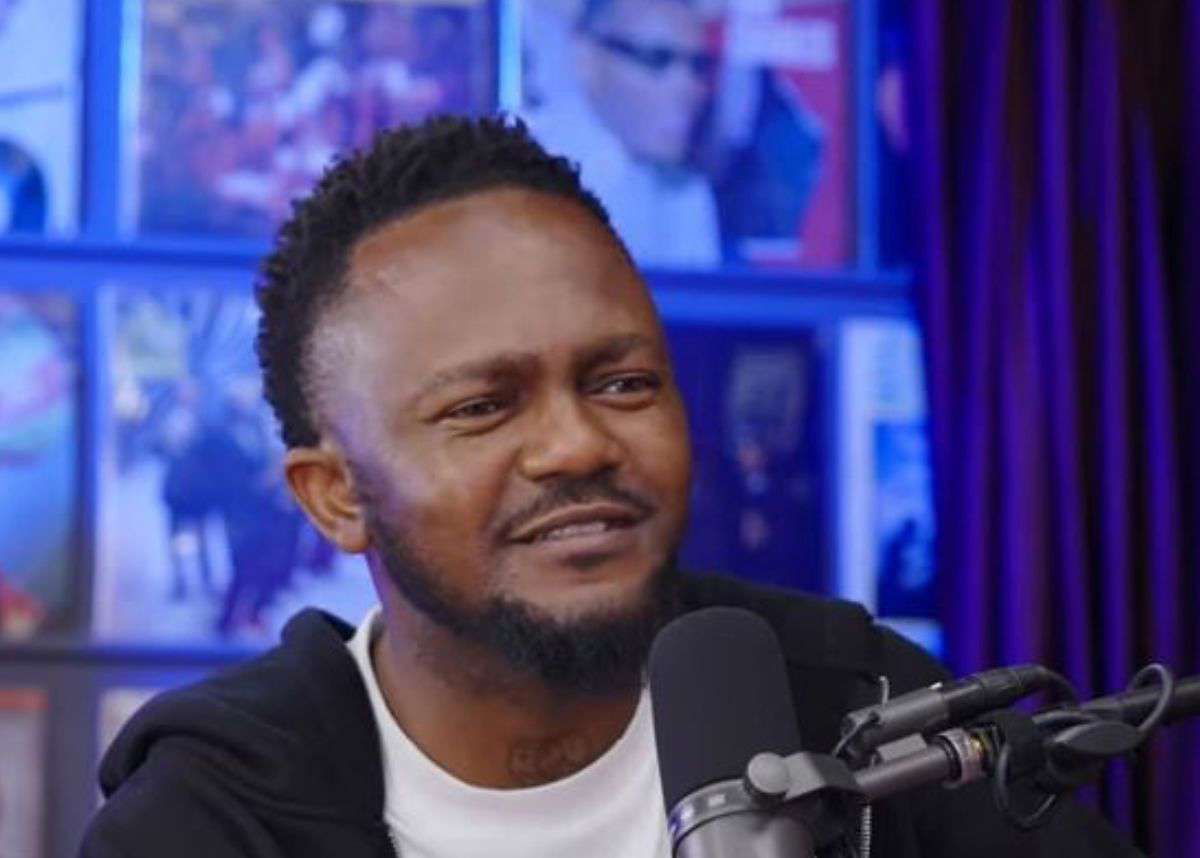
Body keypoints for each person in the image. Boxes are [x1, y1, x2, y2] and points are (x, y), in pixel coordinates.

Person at [80, 116, 1140, 858]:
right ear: (335, 496)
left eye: (623, 383)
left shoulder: (859, 706)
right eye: (483, 406)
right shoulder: (207, 821)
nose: (578, 445)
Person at [526, 0, 721, 268]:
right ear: (587, 60)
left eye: (697, 66)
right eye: (657, 59)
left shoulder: (687, 193)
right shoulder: (519, 175)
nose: (689, 88)